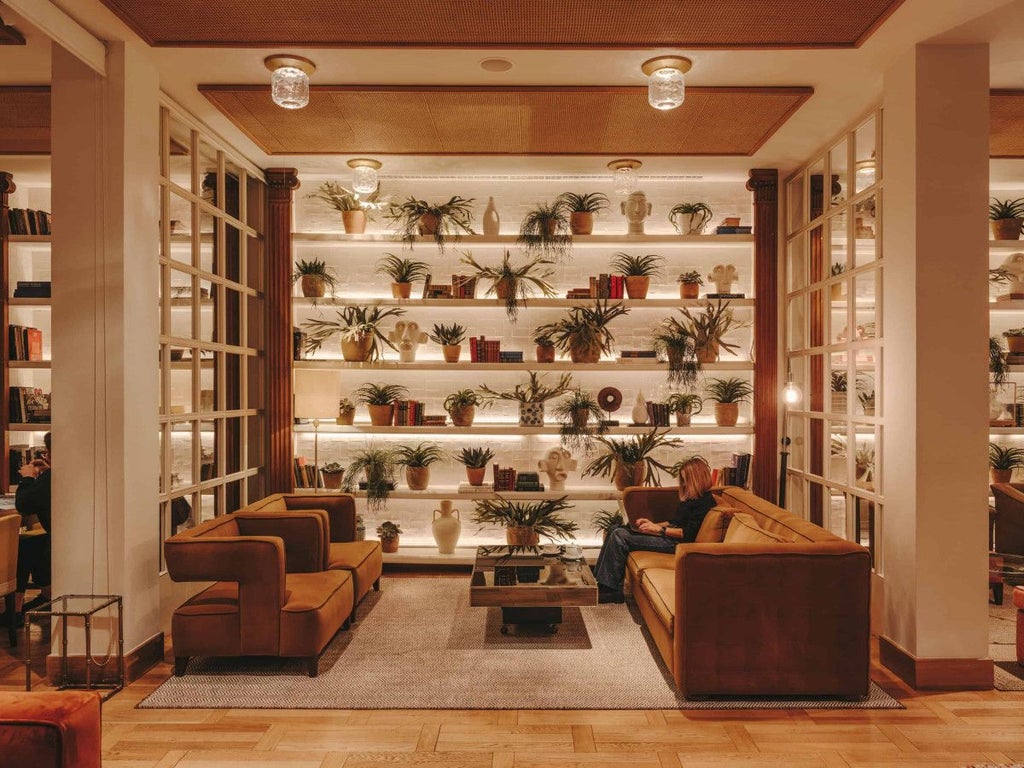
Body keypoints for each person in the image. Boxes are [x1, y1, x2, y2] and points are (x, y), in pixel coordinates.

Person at [592, 455, 715, 604]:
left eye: (686, 480)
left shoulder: (706, 502)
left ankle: (612, 592)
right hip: (671, 536)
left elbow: (687, 533)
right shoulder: (692, 498)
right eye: (682, 480)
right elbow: (674, 522)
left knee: (620, 536)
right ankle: (599, 584)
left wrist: (658, 530)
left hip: (678, 544)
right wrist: (652, 524)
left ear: (697, 479)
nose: (684, 484)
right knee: (615, 528)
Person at [14, 431, 52, 621]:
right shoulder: (53, 475)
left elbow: (24, 505)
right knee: (28, 543)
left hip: (56, 547)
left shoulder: (51, 478)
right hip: (61, 541)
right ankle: (42, 597)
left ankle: (18, 608)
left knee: (25, 547)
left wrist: (27, 478)